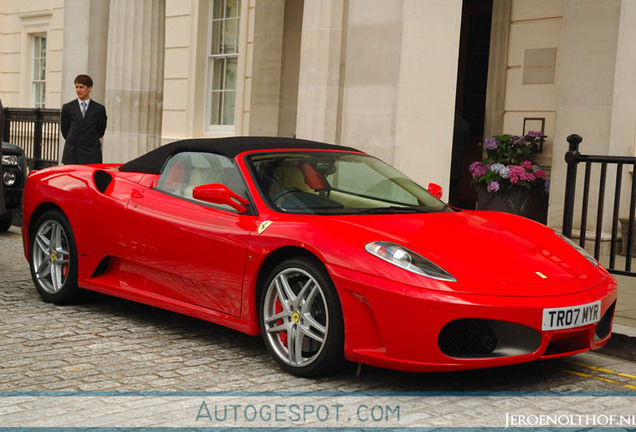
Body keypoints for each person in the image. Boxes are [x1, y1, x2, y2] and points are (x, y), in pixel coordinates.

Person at [61, 74, 107, 164]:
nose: (78, 90)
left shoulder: (99, 109)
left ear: (89, 88)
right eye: (76, 87)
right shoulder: (67, 107)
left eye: (81, 87)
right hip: (72, 154)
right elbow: (64, 130)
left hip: (91, 153)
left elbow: (101, 131)